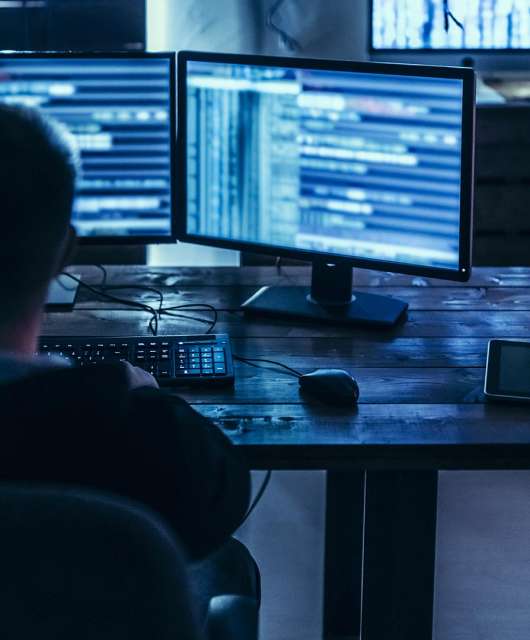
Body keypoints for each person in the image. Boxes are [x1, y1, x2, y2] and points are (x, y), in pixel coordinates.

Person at [0, 103, 260, 624]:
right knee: (230, 565)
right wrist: (140, 394)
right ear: (64, 253)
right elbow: (226, 496)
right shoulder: (144, 436)